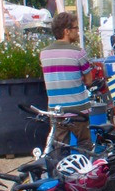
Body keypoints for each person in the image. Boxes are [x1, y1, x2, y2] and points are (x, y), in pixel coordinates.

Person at [39, 11, 94, 151]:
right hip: (78, 110)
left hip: (56, 111)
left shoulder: (44, 53)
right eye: (75, 28)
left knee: (59, 149)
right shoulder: (78, 52)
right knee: (85, 146)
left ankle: (61, 173)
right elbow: (89, 80)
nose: (77, 32)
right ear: (67, 31)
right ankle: (85, 171)